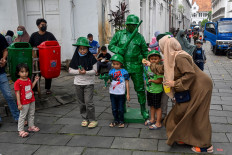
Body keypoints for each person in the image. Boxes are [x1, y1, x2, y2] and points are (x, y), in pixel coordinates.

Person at [145, 34, 213, 153]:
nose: (160, 50)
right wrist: (151, 65)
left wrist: (174, 84)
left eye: (161, 47)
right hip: (193, 86)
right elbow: (165, 69)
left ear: (166, 47)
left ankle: (205, 145)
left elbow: (190, 74)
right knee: (183, 112)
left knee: (198, 115)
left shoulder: (180, 57)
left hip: (201, 86)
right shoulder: (173, 56)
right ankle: (182, 136)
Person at [108, 14, 149, 119]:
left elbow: (145, 51)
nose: (133, 27)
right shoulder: (119, 34)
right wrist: (118, 50)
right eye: (131, 25)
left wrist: (149, 62)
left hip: (136, 66)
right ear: (127, 25)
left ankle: (143, 109)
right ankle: (122, 108)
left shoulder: (140, 37)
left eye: (135, 25)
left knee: (140, 89)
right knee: (121, 88)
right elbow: (111, 45)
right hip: (123, 66)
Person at [69, 37, 98, 129]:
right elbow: (70, 70)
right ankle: (85, 118)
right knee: (81, 102)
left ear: (87, 49)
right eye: (80, 49)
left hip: (89, 83)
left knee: (88, 102)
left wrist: (86, 72)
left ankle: (92, 120)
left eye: (84, 49)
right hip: (78, 83)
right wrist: (78, 72)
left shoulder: (91, 58)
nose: (82, 51)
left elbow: (95, 71)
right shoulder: (75, 57)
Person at [29, 18, 57, 94]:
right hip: (37, 59)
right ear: (38, 26)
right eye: (42, 25)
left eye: (45, 24)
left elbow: (55, 44)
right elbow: (30, 46)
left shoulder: (50, 35)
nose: (44, 26)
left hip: (48, 59)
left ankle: (48, 88)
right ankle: (34, 89)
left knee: (48, 73)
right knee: (36, 74)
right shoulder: (34, 35)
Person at [14, 63, 40, 138]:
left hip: (31, 99)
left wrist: (35, 80)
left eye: (26, 71)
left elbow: (30, 87)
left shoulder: (28, 80)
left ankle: (31, 126)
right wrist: (19, 104)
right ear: (18, 73)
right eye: (22, 72)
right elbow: (17, 93)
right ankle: (20, 130)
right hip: (24, 102)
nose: (24, 73)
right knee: (22, 116)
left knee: (31, 113)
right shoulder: (17, 83)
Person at [0, 34, 19, 127]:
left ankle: (18, 117)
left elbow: (5, 50)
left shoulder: (0, 37)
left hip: (1, 73)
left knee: (9, 96)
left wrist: (4, 59)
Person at [108, 54, 130, 128]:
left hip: (121, 93)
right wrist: (107, 81)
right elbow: (109, 80)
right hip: (112, 92)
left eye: (117, 64)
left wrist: (128, 94)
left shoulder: (124, 71)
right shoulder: (111, 71)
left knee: (120, 108)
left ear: (121, 63)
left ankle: (121, 121)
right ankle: (115, 120)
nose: (115, 66)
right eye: (114, 64)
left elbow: (127, 82)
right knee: (114, 108)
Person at [143, 50, 163, 130]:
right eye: (152, 59)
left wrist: (152, 81)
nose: (153, 60)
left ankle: (158, 123)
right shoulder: (149, 68)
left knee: (157, 107)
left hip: (156, 91)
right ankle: (152, 119)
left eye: (155, 59)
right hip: (150, 90)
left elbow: (160, 81)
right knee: (151, 106)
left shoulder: (159, 69)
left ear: (159, 60)